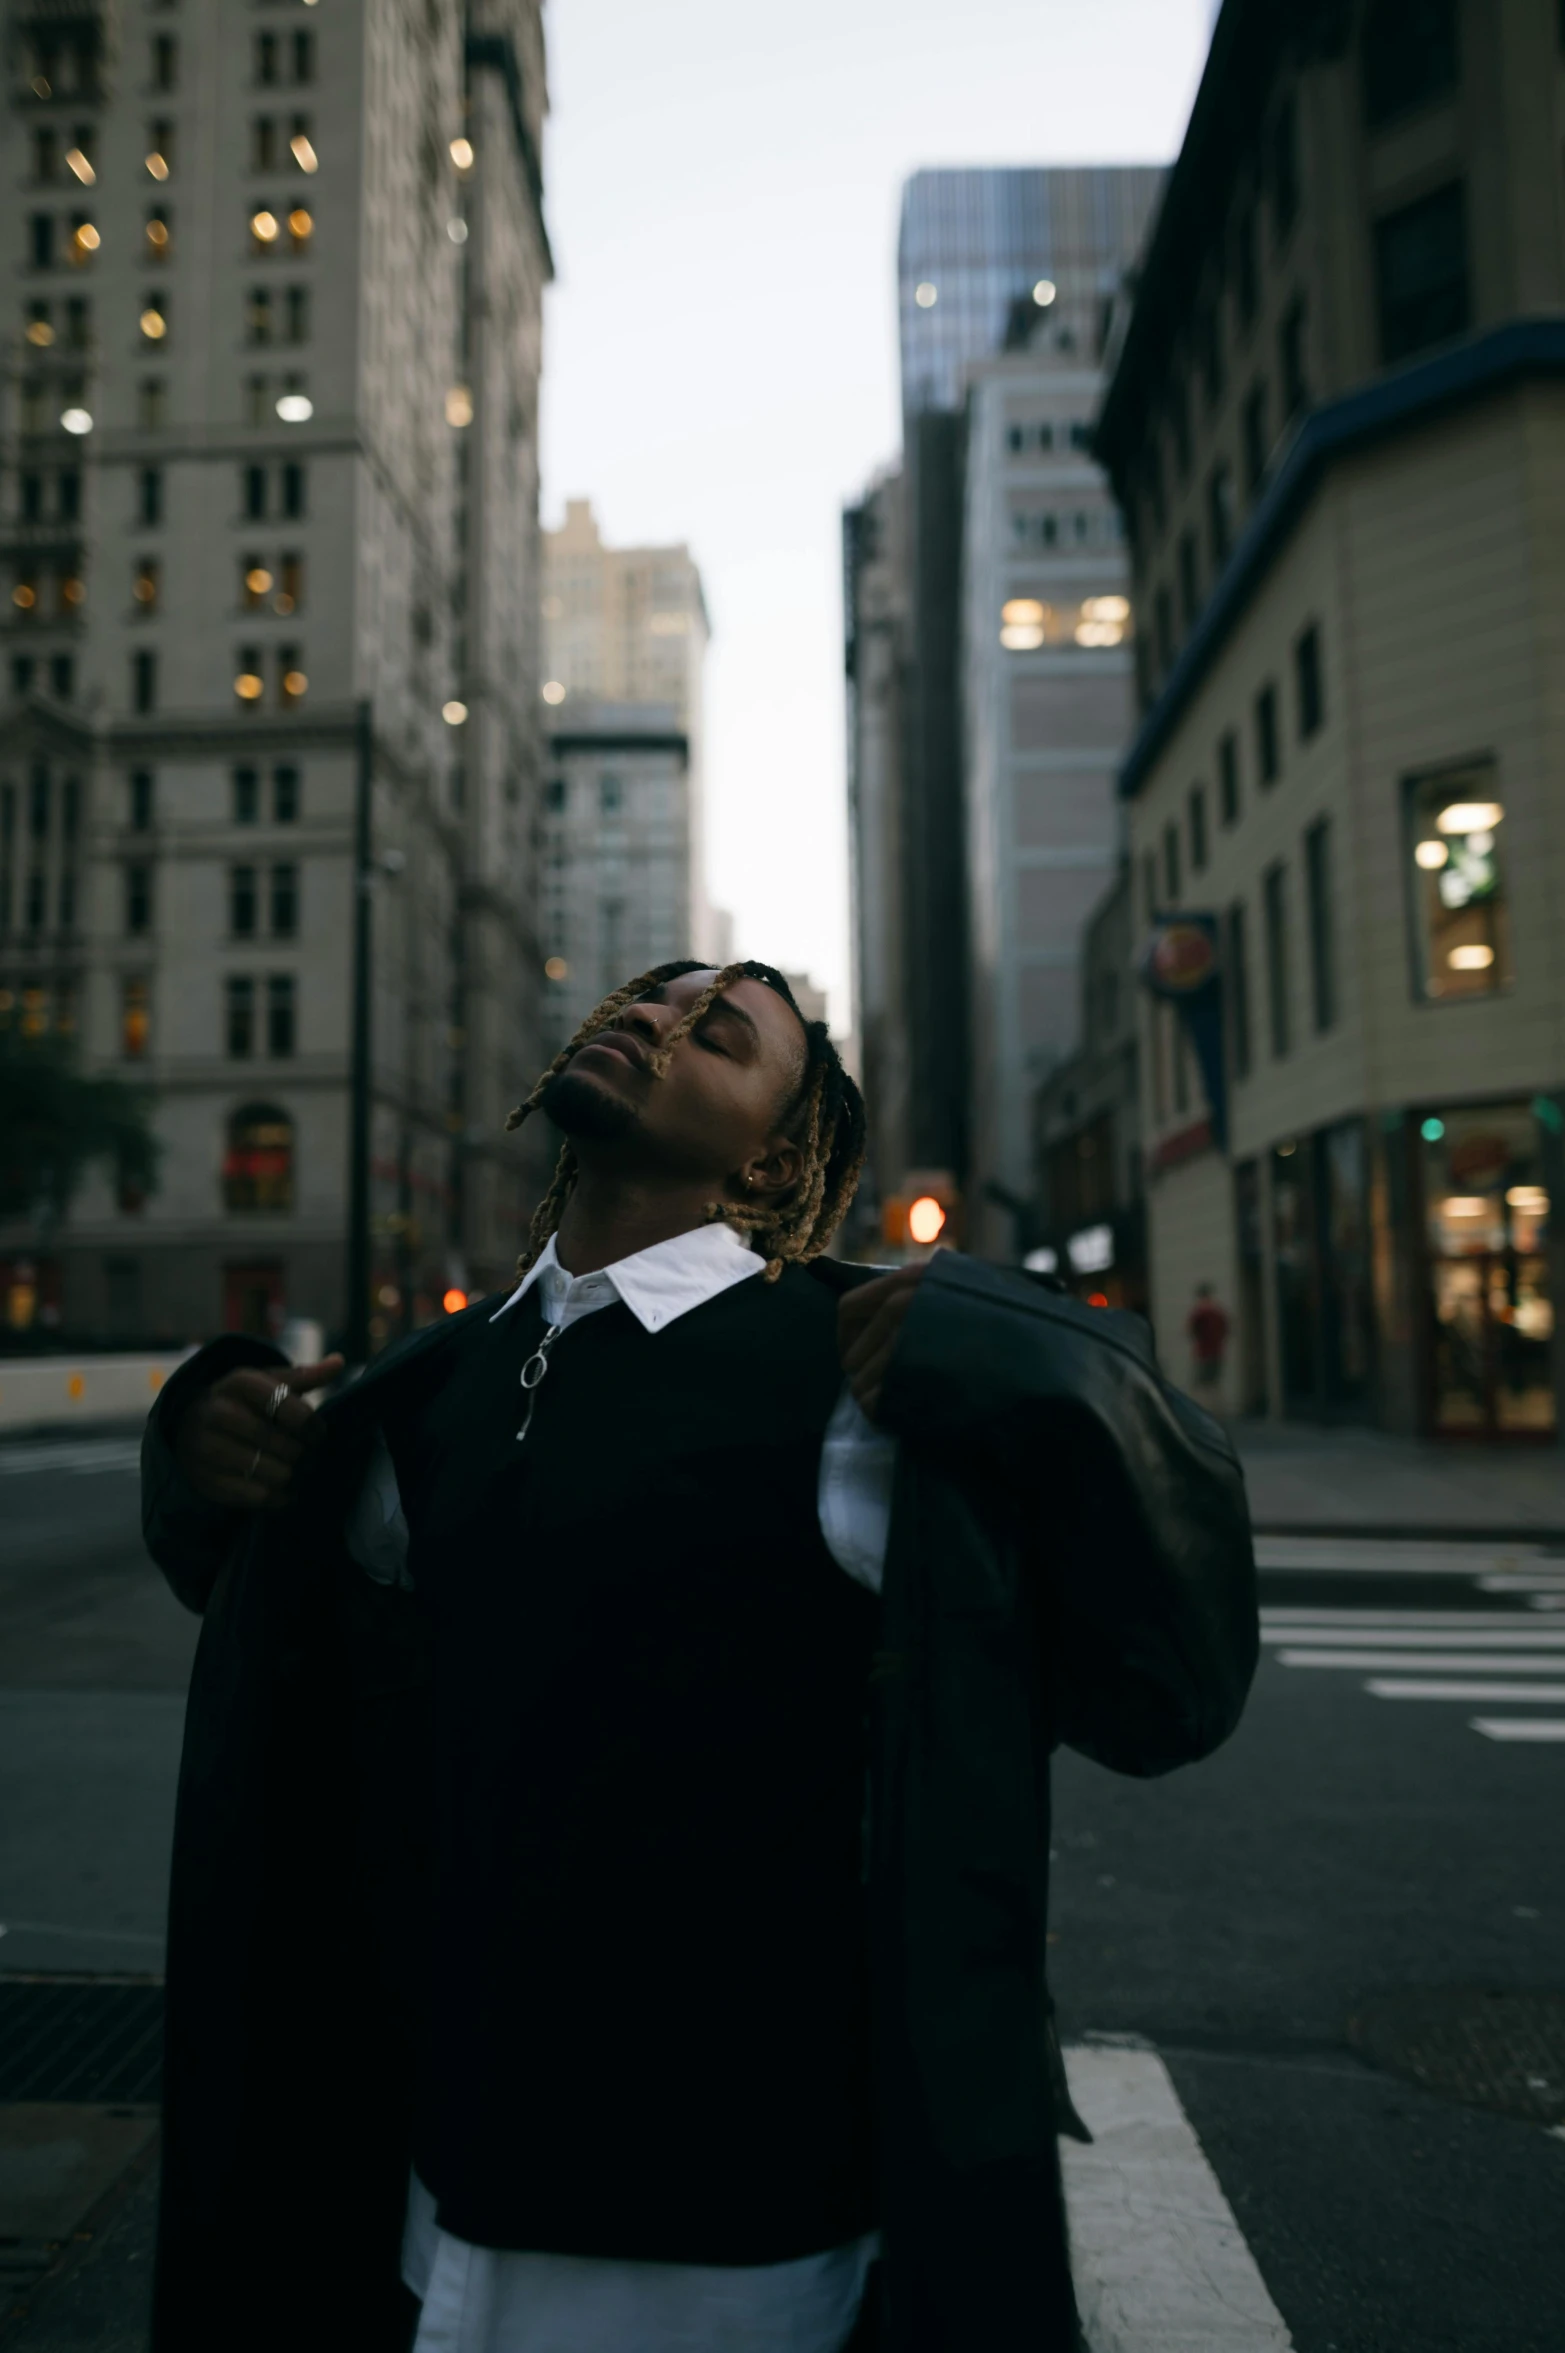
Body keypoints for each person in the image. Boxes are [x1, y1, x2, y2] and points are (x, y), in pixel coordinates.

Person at [141, 959, 1257, 2353]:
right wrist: (199, 1437)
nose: (653, 1019)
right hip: (442, 2168)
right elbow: (273, 1642)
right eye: (645, 999)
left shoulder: (854, 1386)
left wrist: (1040, 1358)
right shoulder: (428, 1392)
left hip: (729, 2215)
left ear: (776, 1151)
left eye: (714, 1031)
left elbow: (1172, 1672)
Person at [1187, 1281, 1231, 1390]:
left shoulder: (1200, 1313)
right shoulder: (1218, 1312)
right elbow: (1226, 1329)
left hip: (1204, 1353)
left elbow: (1190, 1330)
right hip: (1216, 1352)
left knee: (1202, 1384)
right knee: (1214, 1383)